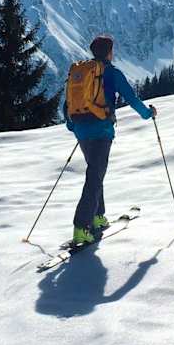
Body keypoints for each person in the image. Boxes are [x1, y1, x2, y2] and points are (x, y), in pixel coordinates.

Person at [64, 35, 157, 245]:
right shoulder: (112, 73)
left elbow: (68, 102)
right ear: (109, 52)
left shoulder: (81, 72)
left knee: (96, 172)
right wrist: (147, 114)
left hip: (81, 131)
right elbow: (131, 98)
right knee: (95, 177)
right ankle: (82, 227)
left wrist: (73, 126)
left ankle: (98, 216)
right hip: (101, 131)